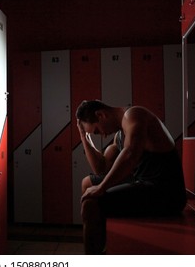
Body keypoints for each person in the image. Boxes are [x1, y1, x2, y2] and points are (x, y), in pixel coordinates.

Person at [75, 100, 186, 254]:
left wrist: (102, 188)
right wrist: (84, 137)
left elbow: (130, 153)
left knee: (91, 204)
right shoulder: (120, 135)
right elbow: (101, 168)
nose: (102, 135)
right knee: (87, 183)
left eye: (96, 131)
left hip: (166, 194)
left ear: (101, 115)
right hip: (145, 185)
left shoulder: (134, 115)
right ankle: (102, 248)